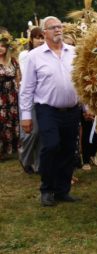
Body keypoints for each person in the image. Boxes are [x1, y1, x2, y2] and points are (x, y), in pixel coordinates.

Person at [20, 16, 82, 206]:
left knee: (69, 149)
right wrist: (26, 116)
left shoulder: (74, 52)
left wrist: (87, 107)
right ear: (44, 32)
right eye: (52, 27)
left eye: (59, 27)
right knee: (51, 146)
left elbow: (82, 81)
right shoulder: (34, 56)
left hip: (72, 110)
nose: (57, 30)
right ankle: (47, 189)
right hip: (47, 110)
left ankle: (63, 190)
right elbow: (27, 88)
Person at [18, 27, 45, 172]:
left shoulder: (48, 54)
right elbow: (27, 75)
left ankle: (40, 165)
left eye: (42, 37)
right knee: (31, 132)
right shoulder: (25, 55)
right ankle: (25, 159)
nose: (40, 41)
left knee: (41, 132)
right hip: (29, 96)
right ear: (31, 40)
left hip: (44, 96)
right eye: (37, 38)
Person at [0, 29, 20, 162]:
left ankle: (11, 148)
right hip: (0, 96)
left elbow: (18, 78)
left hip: (12, 96)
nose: (0, 48)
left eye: (2, 46)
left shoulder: (13, 61)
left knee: (11, 121)